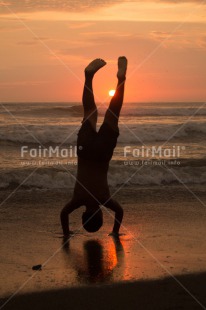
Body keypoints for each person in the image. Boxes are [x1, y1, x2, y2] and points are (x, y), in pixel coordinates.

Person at [60, 56, 127, 237]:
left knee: (113, 113)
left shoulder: (105, 200)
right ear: (83, 214)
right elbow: (63, 214)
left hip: (102, 154)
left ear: (99, 213)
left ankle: (121, 79)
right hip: (85, 150)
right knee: (90, 110)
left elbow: (119, 212)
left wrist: (115, 232)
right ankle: (89, 76)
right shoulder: (77, 200)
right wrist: (66, 233)